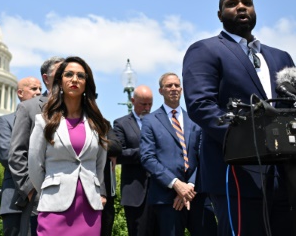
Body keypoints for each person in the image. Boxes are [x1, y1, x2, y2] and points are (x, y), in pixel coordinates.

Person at [182, 0, 295, 236]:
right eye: (232, 3)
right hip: (235, 174)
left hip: (284, 176)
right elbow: (201, 106)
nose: (241, 6)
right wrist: (252, 140)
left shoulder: (281, 57)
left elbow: (294, 107)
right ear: (219, 14)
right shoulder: (206, 50)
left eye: (247, 2)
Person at [28, 56, 109, 235]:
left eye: (80, 76)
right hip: (54, 207)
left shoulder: (97, 124)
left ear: (86, 83)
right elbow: (34, 165)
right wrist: (50, 189)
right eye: (69, 74)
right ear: (60, 81)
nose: (74, 79)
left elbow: (99, 165)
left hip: (89, 208)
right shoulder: (44, 121)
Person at [140, 73, 214, 235]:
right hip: (167, 199)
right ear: (161, 91)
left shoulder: (195, 120)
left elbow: (203, 155)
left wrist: (189, 187)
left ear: (181, 89)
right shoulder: (150, 121)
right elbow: (147, 158)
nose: (173, 88)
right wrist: (176, 184)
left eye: (176, 85)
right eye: (169, 86)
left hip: (197, 195)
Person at [9, 56, 64, 235]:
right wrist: (31, 190)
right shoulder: (29, 108)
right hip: (40, 199)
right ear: (46, 79)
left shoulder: (79, 109)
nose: (66, 77)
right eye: (60, 73)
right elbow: (17, 153)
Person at [0, 76, 42, 236]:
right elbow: (7, 156)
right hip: (14, 199)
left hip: (42, 199)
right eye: (33, 89)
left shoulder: (46, 121)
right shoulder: (5, 121)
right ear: (20, 93)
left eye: (40, 89)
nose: (38, 92)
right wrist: (29, 187)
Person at [113, 85, 158, 236]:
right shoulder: (121, 124)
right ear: (133, 101)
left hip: (160, 192)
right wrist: (146, 153)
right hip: (136, 193)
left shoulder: (158, 122)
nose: (147, 108)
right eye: (143, 104)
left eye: (150, 104)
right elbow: (119, 154)